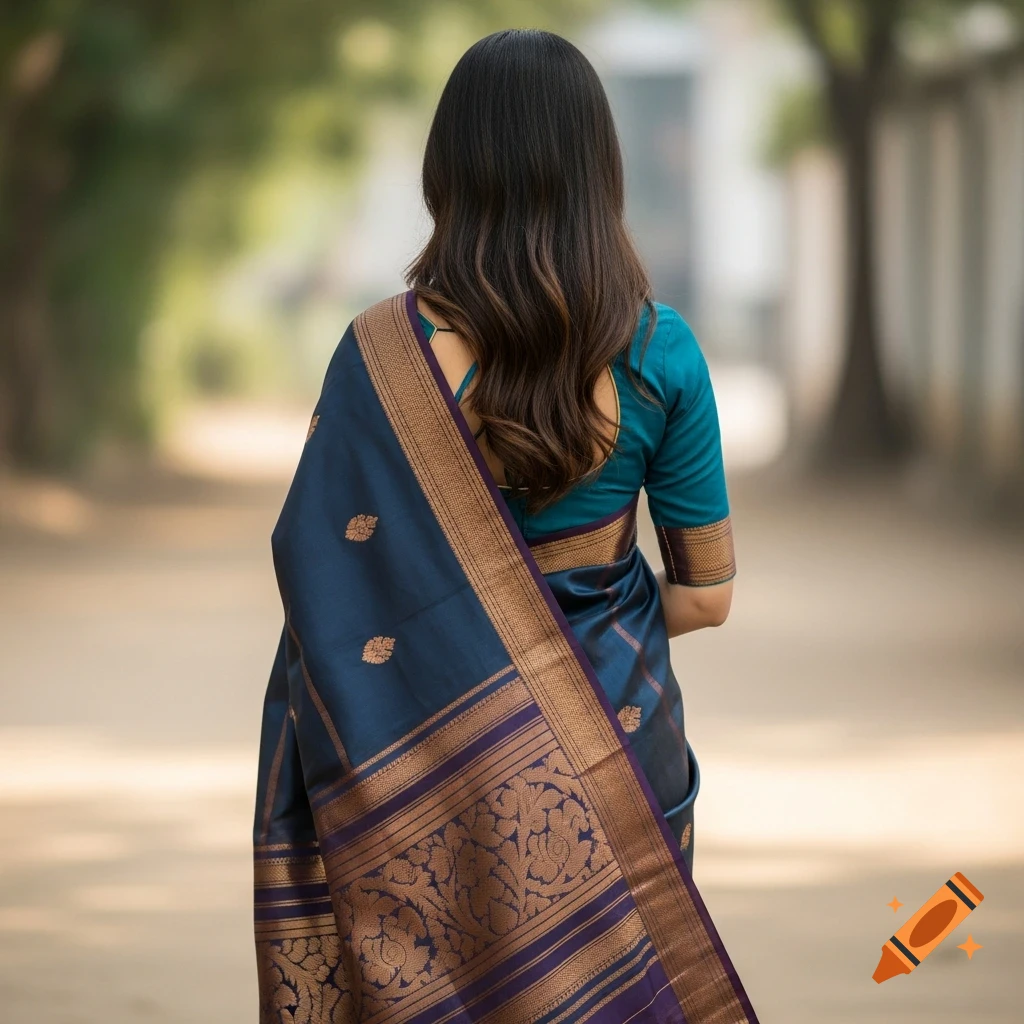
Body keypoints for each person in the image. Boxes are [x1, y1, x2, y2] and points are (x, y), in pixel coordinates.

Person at [253, 29, 755, 1024]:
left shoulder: (382, 356)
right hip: (613, 741)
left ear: (450, 172)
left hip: (416, 749)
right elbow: (704, 594)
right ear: (600, 172)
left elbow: (329, 580)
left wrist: (464, 639)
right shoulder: (663, 354)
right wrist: (564, 635)